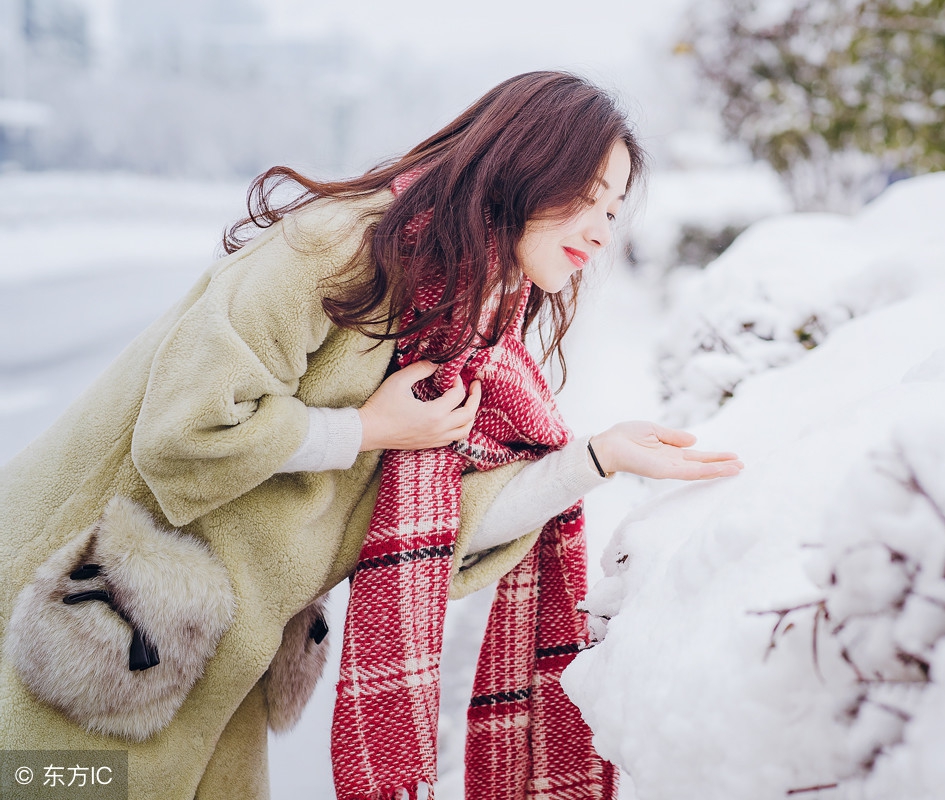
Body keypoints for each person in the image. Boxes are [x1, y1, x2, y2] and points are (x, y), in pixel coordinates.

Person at [0, 71, 741, 800]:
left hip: (214, 664)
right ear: (520, 167)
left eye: (613, 210)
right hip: (84, 619)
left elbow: (442, 526)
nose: (600, 231)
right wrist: (365, 428)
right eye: (585, 198)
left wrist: (597, 457)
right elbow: (184, 431)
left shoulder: (469, 328)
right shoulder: (339, 247)